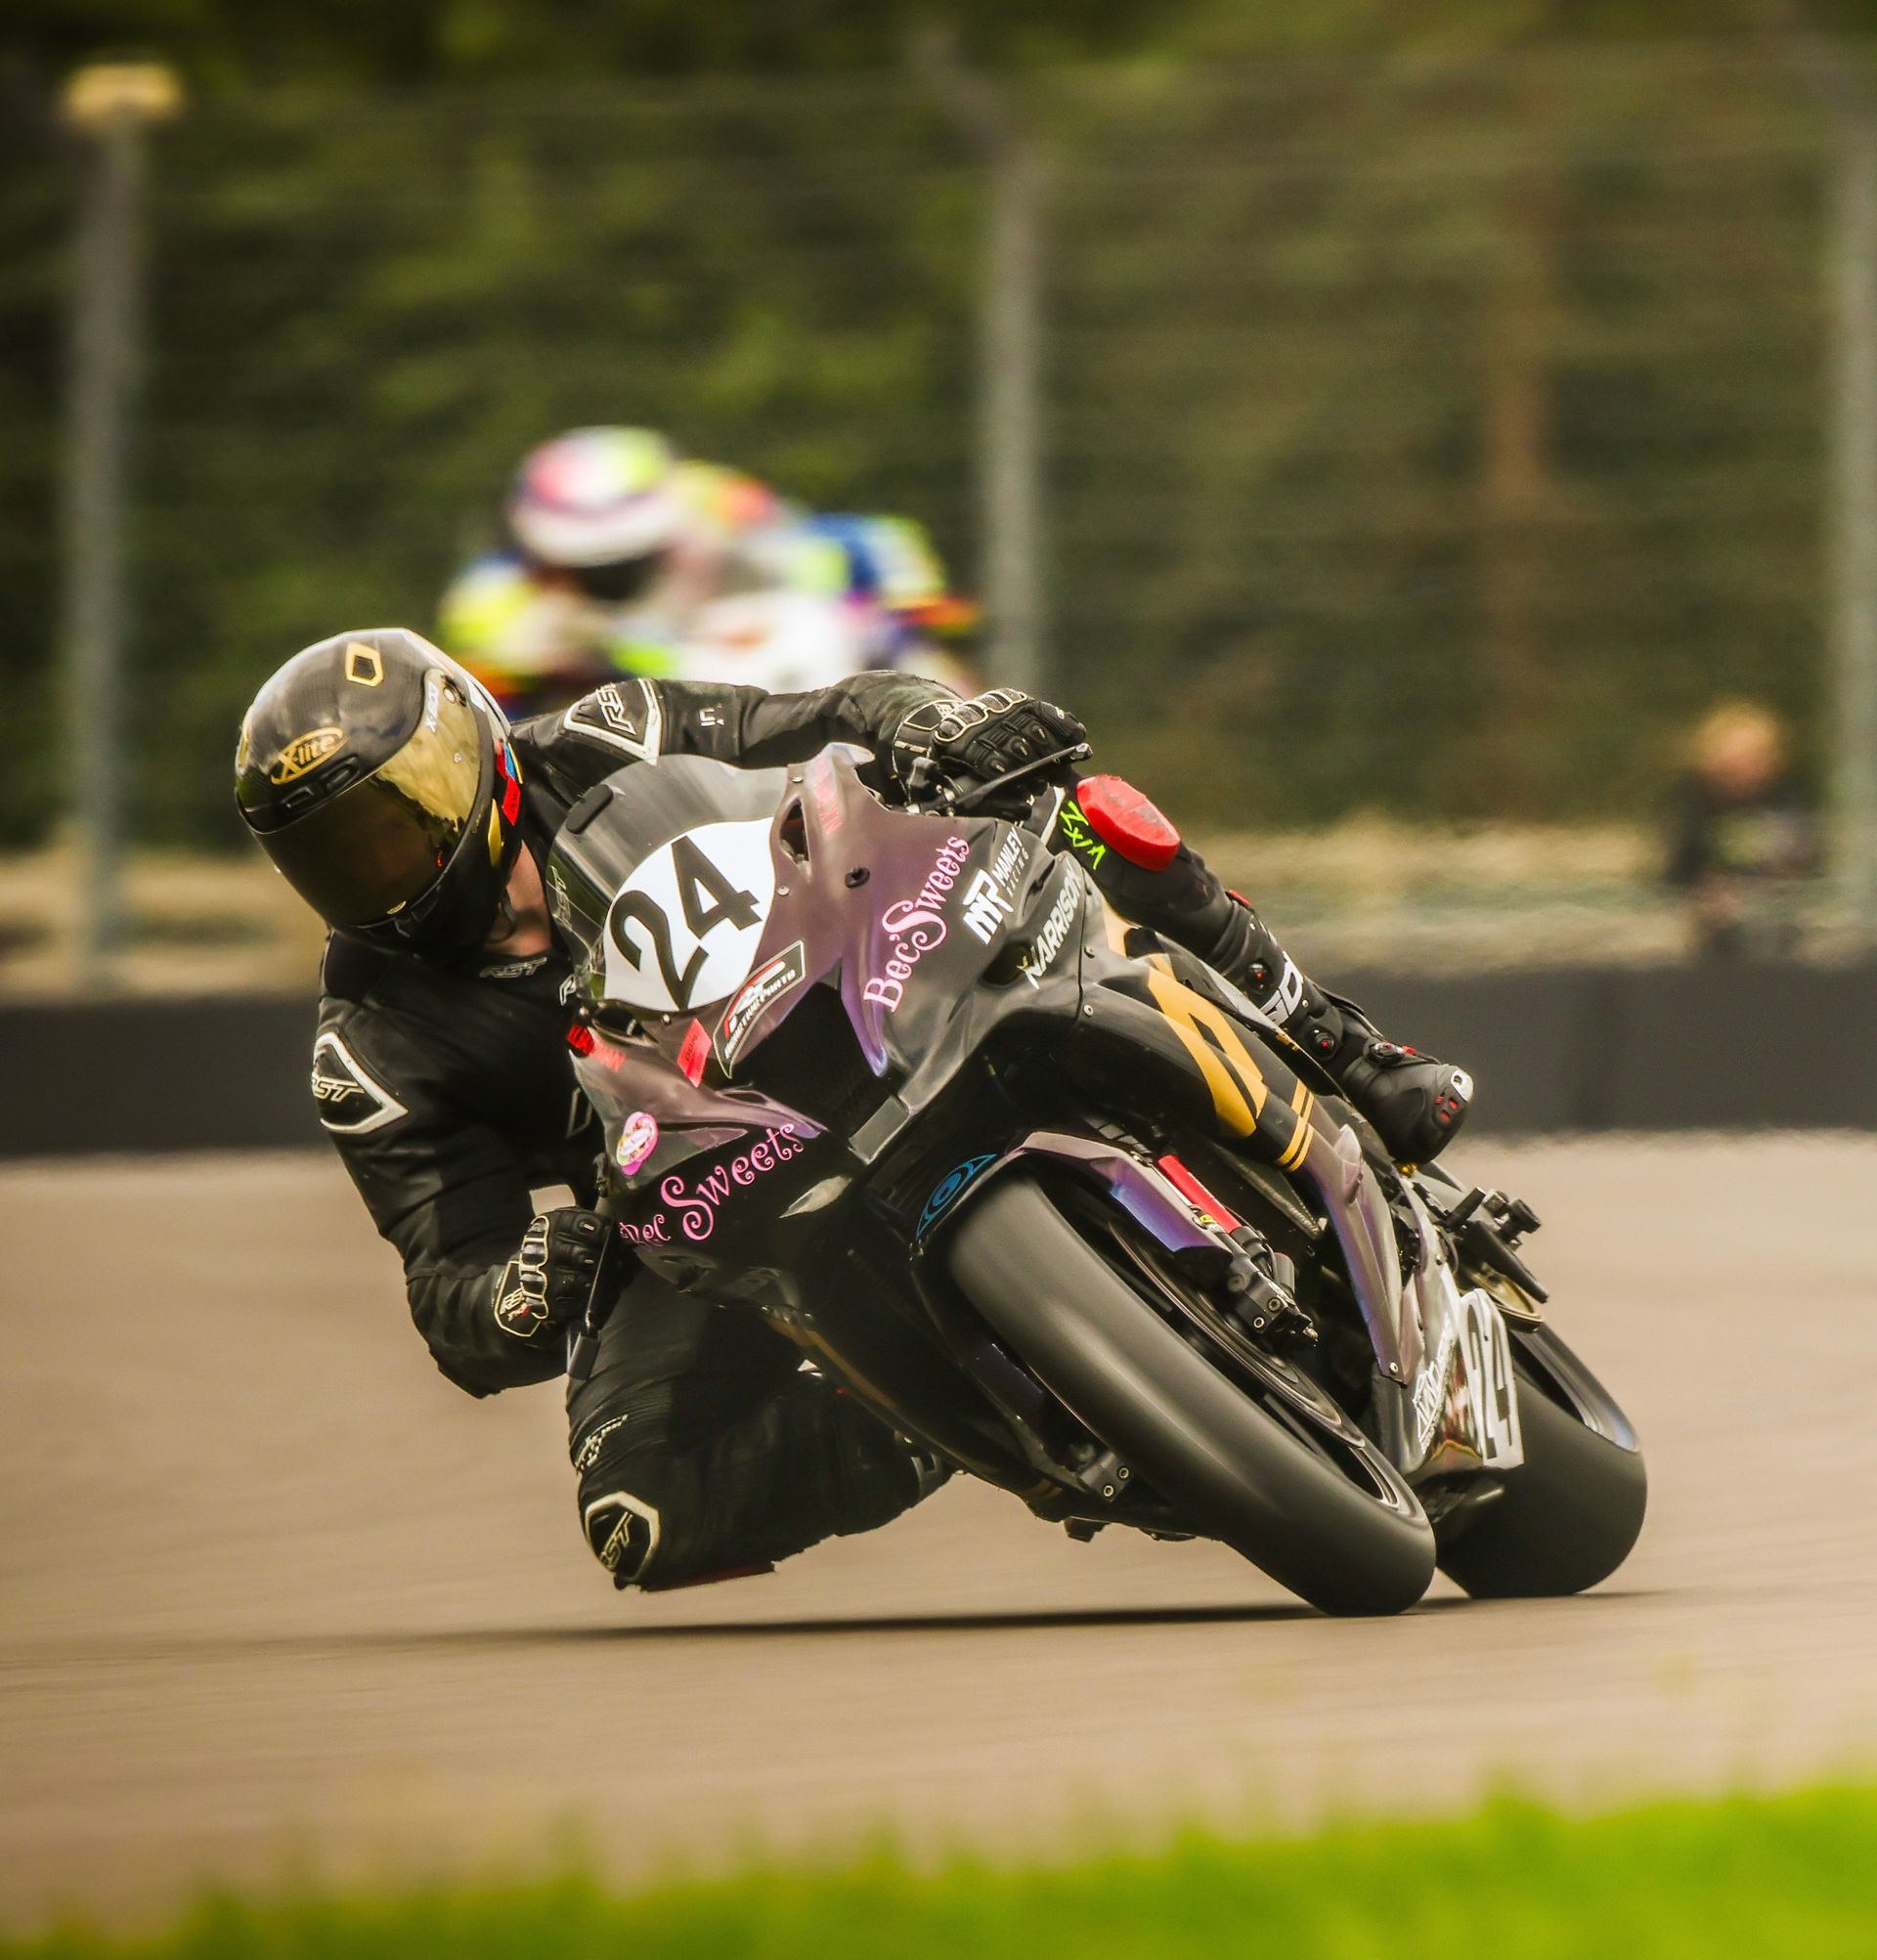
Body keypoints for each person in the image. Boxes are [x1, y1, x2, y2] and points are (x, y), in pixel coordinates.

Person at [235, 629, 1470, 1591]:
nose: (378, 872)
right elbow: (448, 1286)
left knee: (1081, 806)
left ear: (470, 753)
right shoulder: (372, 1041)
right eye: (336, 856)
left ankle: (1341, 1044)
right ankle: (960, 1405)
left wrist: (942, 723)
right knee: (641, 1512)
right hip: (696, 1182)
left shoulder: (608, 733)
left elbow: (817, 715)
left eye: (393, 824)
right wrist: (524, 1283)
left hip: (859, 955)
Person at [439, 427, 972, 718]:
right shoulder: (492, 600)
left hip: (788, 685)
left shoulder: (708, 500)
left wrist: (895, 609)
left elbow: (850, 543)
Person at [1664, 700, 1818, 959]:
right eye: (1735, 756)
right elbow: (1674, 870)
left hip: (1779, 930)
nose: (1744, 765)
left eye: (1754, 755)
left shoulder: (1786, 802)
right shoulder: (1692, 807)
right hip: (1712, 938)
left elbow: (1810, 857)